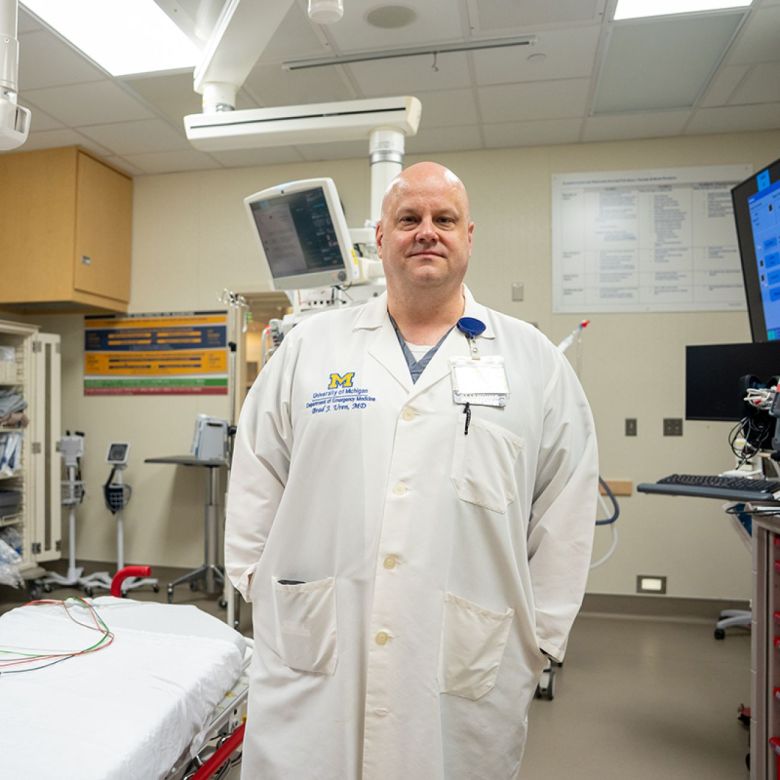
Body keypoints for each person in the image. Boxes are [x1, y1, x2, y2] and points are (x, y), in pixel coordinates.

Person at [225, 161, 599, 779]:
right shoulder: (310, 350)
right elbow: (258, 469)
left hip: (467, 655)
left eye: (443, 219)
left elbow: (566, 502)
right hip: (316, 643)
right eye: (408, 219)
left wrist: (541, 636)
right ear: (380, 238)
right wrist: (253, 581)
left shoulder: (532, 361)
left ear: (468, 236)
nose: (427, 231)